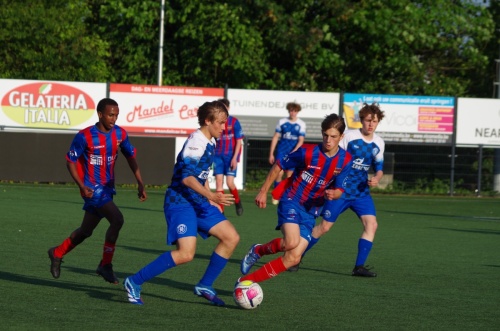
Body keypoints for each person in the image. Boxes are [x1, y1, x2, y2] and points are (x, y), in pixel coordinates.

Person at [123, 100, 240, 306]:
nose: (224, 128)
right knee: (186, 253)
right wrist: (212, 197)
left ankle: (205, 284)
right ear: (207, 121)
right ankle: (134, 281)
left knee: (231, 237)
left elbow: (200, 175)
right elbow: (187, 179)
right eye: (221, 123)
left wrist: (209, 196)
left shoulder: (210, 140)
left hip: (198, 200)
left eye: (225, 123)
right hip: (180, 201)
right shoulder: (196, 143)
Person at [237, 114, 352, 284]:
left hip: (311, 211)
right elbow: (279, 165)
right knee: (291, 242)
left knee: (293, 258)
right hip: (292, 199)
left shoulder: (345, 160)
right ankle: (257, 254)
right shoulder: (307, 152)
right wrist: (263, 191)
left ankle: (246, 281)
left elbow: (340, 189)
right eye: (325, 135)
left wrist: (335, 194)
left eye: (333, 137)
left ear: (341, 137)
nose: (328, 140)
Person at [48, 98, 147, 284]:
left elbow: (130, 156)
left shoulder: (120, 134)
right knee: (117, 219)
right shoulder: (84, 136)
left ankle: (57, 252)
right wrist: (81, 185)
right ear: (100, 114)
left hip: (108, 189)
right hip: (92, 189)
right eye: (111, 115)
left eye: (116, 115)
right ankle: (105, 265)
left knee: (86, 231)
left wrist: (140, 182)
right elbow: (70, 161)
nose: (114, 119)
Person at [289, 102, 385, 277]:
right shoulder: (349, 136)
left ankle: (359, 267)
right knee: (324, 227)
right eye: (368, 120)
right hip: (340, 191)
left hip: (360, 193)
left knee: (372, 224)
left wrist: (377, 178)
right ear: (361, 120)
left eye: (375, 121)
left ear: (378, 122)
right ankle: (296, 256)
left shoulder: (379, 143)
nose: (371, 124)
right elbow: (334, 158)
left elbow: (379, 166)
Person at [268, 102, 306, 204]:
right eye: (291, 110)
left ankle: (287, 196)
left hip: (293, 152)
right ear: (289, 111)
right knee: (278, 172)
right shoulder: (282, 122)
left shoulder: (301, 124)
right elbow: (276, 137)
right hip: (282, 151)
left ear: (297, 112)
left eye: (295, 111)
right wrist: (271, 153)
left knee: (289, 175)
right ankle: (276, 196)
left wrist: (295, 151)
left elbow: (301, 140)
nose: (293, 113)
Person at [213, 98, 245, 216]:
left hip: (230, 156)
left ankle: (237, 202)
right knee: (218, 182)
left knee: (230, 183)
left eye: (225, 107)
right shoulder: (216, 121)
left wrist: (235, 158)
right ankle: (221, 211)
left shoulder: (234, 122)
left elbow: (238, 141)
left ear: (228, 108)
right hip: (217, 156)